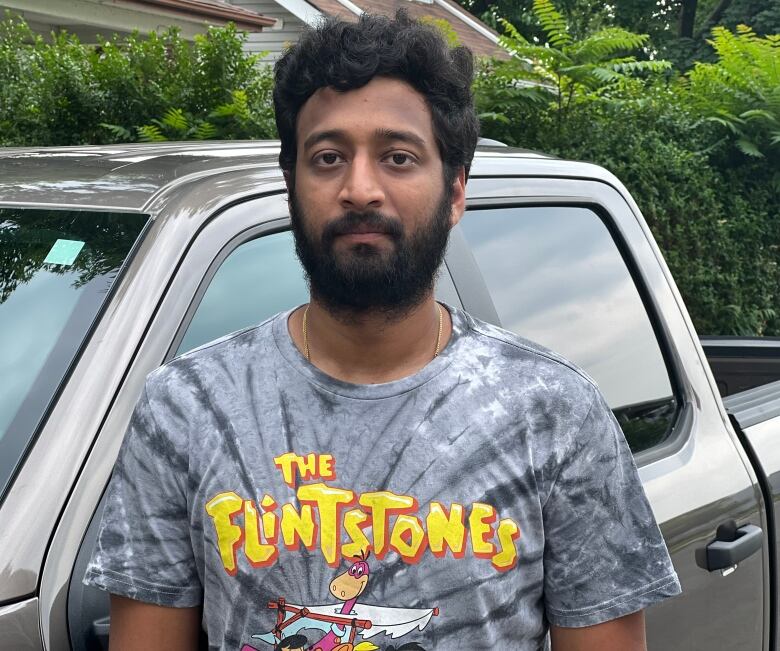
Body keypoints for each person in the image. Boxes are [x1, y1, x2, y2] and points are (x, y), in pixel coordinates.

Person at [83, 9, 681, 651]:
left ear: (455, 192)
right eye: (328, 157)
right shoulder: (184, 407)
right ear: (292, 186)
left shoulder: (556, 412)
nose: (359, 188)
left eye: (398, 157)